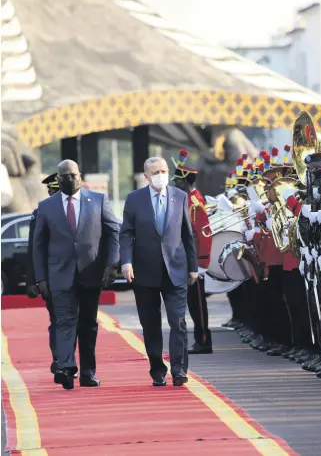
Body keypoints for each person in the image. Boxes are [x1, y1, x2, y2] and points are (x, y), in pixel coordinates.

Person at [32, 160, 120, 390]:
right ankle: (67, 368)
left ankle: (88, 373)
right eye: (65, 176)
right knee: (64, 321)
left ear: (80, 176)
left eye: (73, 175)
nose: (70, 179)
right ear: (58, 179)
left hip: (91, 273)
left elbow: (113, 232)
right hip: (59, 275)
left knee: (88, 325)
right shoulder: (46, 207)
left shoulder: (98, 200)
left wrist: (112, 264)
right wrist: (40, 278)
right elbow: (38, 246)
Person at [120, 157, 197, 386]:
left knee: (178, 321)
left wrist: (193, 267)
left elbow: (187, 234)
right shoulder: (134, 200)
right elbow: (126, 233)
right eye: (155, 172)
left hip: (176, 269)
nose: (161, 175)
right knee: (151, 325)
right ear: (146, 176)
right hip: (144, 272)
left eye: (164, 170)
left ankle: (179, 369)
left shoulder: (180, 196)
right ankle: (157, 369)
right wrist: (126, 262)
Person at [170, 149, 213, 354]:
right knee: (193, 304)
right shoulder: (186, 198)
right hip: (188, 260)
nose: (174, 184)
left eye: (178, 181)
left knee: (198, 305)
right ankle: (200, 339)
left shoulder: (194, 201)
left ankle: (204, 340)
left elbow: (203, 233)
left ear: (186, 181)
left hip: (195, 261)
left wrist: (201, 262)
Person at [26, 173, 61, 376]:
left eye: (54, 190)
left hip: (76, 277)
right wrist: (33, 281)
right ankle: (60, 359)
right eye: (51, 191)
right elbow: (33, 248)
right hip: (50, 278)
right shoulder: (40, 212)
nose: (51, 193)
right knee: (57, 320)